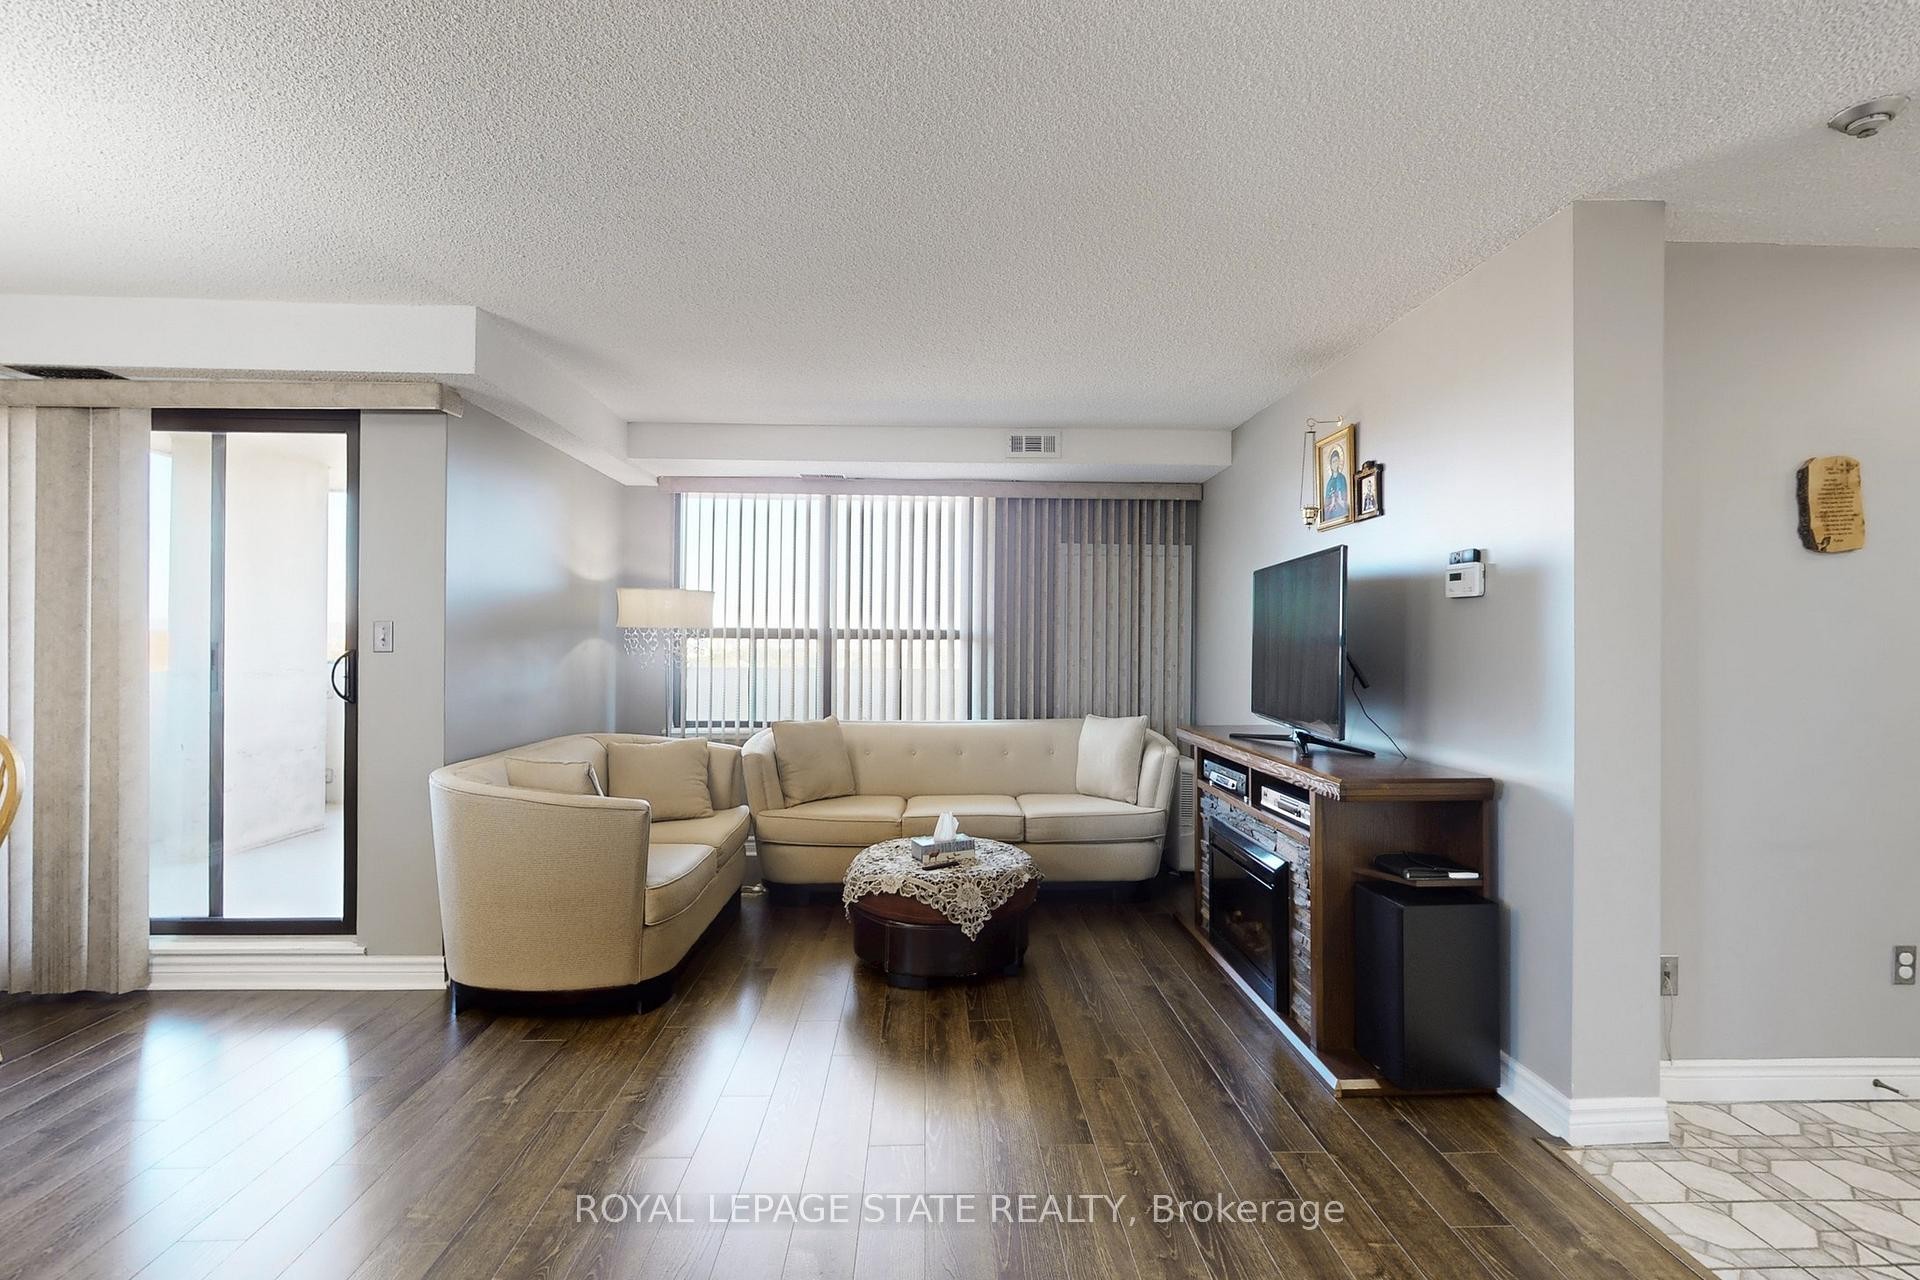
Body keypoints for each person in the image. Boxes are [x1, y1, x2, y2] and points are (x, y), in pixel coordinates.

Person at [1322, 447, 1349, 519]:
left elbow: (1344, 497)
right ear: (1330, 464)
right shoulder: (1329, 482)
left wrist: (1338, 498)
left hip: (1341, 507)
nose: (1335, 463)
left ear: (1339, 462)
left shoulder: (1342, 478)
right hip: (1331, 510)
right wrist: (1331, 502)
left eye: (1336, 461)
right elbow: (1326, 501)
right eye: (1333, 462)